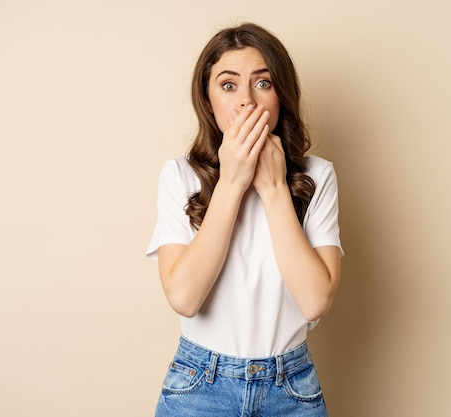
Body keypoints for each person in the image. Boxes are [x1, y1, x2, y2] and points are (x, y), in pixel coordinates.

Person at [146, 22, 343, 417]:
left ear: (282, 95)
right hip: (200, 385)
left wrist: (273, 190)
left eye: (263, 83)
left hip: (290, 388)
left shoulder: (317, 175)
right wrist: (232, 183)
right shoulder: (179, 175)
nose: (247, 102)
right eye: (229, 85)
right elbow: (184, 298)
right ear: (208, 99)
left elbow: (315, 301)